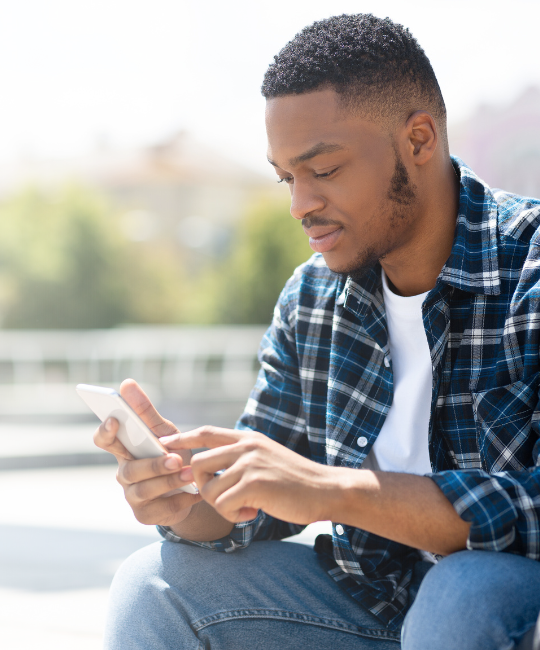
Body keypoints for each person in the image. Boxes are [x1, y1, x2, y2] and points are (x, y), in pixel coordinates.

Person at [94, 14, 540, 649]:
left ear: (418, 139)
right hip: (377, 611)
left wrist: (334, 489)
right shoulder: (312, 298)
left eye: (323, 169)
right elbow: (263, 499)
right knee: (153, 584)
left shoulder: (528, 267)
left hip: (503, 619)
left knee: (463, 591)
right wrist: (187, 497)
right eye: (286, 178)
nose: (300, 203)